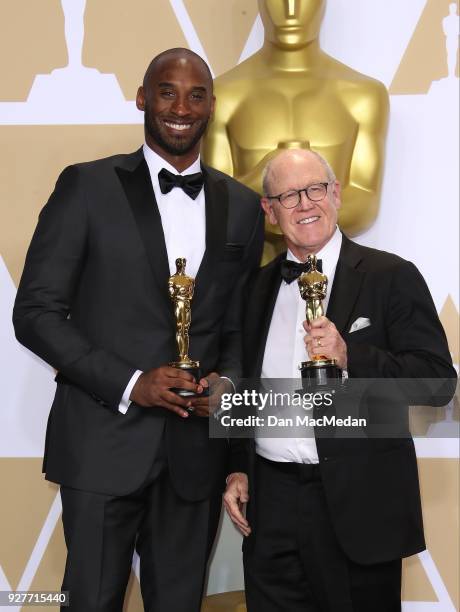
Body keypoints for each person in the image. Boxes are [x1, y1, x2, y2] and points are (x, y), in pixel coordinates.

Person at [13, 48, 264, 612]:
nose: (181, 106)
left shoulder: (243, 207)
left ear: (212, 107)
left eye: (196, 94)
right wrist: (131, 382)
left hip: (194, 459)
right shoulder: (86, 187)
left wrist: (226, 389)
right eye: (168, 91)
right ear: (142, 98)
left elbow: (236, 330)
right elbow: (35, 313)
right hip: (102, 445)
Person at [223, 148, 456, 611]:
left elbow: (437, 383)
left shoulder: (391, 276)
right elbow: (247, 386)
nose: (305, 204)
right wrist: (237, 465)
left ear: (336, 194)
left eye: (315, 189)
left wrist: (352, 355)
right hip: (271, 508)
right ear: (269, 212)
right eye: (289, 195)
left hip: (359, 508)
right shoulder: (254, 289)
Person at [203, 0, 389, 260]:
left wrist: (279, 204)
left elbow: (365, 205)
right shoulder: (222, 95)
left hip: (337, 283)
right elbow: (218, 207)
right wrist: (271, 174)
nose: (291, 8)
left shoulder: (364, 95)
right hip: (247, 283)